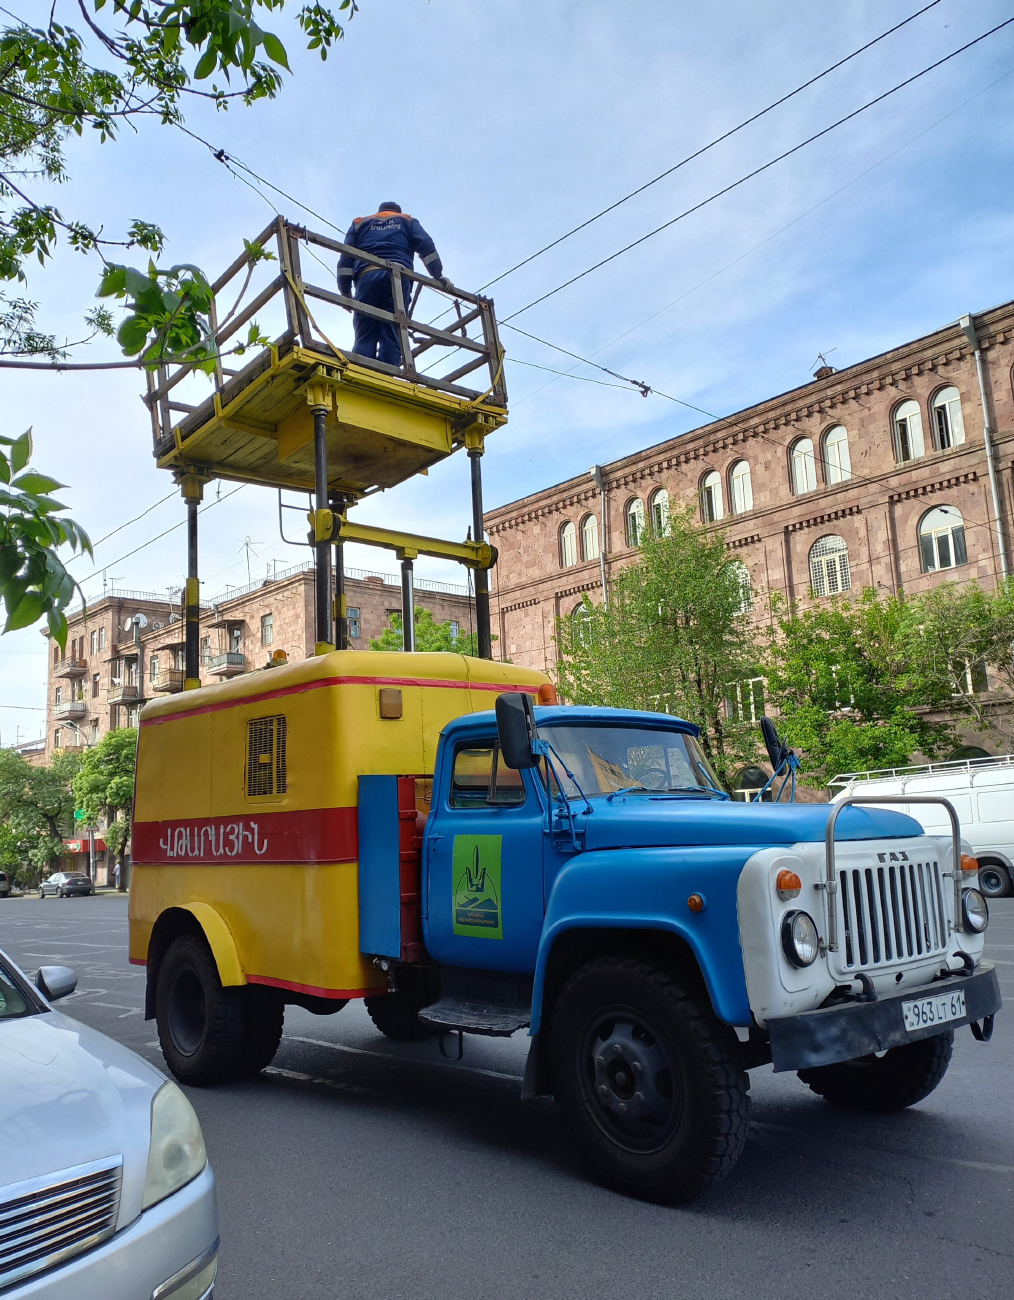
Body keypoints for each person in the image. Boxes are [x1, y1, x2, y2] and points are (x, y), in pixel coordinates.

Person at [337, 203, 450, 366]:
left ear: (380, 211)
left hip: (367, 275)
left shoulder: (359, 223)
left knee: (365, 332)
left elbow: (346, 257)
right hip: (398, 277)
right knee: (392, 330)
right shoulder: (407, 220)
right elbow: (425, 244)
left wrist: (345, 292)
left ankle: (362, 371)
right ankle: (388, 374)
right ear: (397, 211)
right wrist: (437, 274)